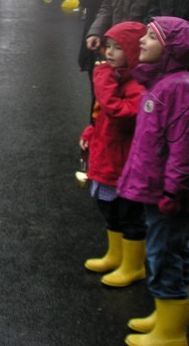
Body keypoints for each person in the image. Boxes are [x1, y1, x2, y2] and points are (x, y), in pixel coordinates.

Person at [117, 17, 189, 345]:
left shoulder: (177, 87)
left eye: (151, 36)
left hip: (166, 194)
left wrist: (174, 190)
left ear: (172, 48)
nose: (142, 42)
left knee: (165, 254)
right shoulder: (160, 83)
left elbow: (182, 146)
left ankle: (171, 332)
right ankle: (163, 315)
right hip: (155, 190)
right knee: (161, 250)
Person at [79, 21, 147, 287]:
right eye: (108, 46)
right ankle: (115, 254)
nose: (109, 52)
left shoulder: (136, 85)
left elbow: (120, 114)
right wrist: (89, 133)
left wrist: (102, 80)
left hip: (124, 166)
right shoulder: (115, 76)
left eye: (119, 48)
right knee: (109, 211)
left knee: (130, 215)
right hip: (107, 159)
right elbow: (101, 116)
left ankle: (133, 265)